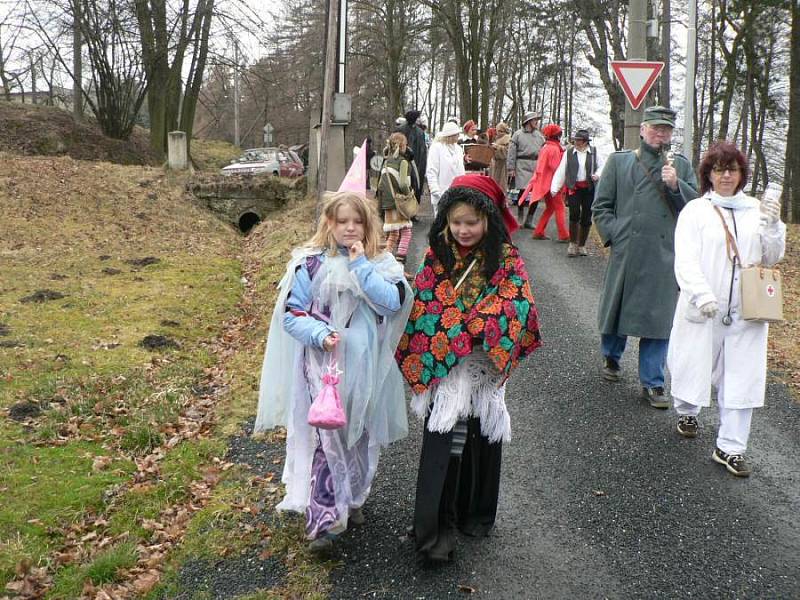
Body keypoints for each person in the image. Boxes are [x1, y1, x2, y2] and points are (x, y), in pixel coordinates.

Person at [254, 189, 413, 554]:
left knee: (358, 432)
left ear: (368, 224)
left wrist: (360, 267)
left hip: (365, 366)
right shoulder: (310, 264)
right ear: (330, 223)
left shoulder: (381, 264)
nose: (350, 229)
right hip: (322, 367)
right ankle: (324, 520)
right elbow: (292, 315)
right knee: (327, 434)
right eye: (343, 222)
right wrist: (320, 333)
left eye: (358, 222)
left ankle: (353, 496)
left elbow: (391, 302)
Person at [395, 174, 542, 565]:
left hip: (482, 360)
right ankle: (434, 530)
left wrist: (478, 326)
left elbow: (518, 304)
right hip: (446, 362)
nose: (463, 230)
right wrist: (454, 328)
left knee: (479, 432)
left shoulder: (507, 258)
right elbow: (427, 301)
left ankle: (475, 513)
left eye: (471, 223)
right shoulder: (436, 254)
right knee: (446, 434)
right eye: (456, 222)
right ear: (446, 221)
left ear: (489, 221)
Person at [667, 142, 785, 477]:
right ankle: (688, 409)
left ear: (741, 174)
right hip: (704, 306)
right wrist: (700, 294)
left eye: (731, 169)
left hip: (747, 308)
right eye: (719, 169)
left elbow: (771, 256)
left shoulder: (754, 210)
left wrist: (773, 227)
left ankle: (731, 447)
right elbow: (686, 258)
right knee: (695, 363)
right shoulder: (696, 211)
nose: (726, 176)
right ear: (708, 174)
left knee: (742, 375)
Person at [592, 105, 699, 408]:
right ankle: (611, 358)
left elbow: (694, 209)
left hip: (664, 254)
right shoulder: (620, 162)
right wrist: (616, 235)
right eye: (655, 128)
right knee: (617, 309)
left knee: (659, 319)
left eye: (665, 130)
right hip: (628, 250)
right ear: (642, 130)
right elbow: (601, 206)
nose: (660, 134)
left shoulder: (680, 165)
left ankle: (653, 382)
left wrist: (676, 186)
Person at [550, 129, 600, 256]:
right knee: (574, 214)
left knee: (587, 216)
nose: (576, 142)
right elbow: (562, 170)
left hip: (589, 189)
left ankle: (582, 245)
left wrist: (597, 175)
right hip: (574, 188)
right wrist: (555, 188)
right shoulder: (569, 153)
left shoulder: (593, 152)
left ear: (585, 142)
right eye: (576, 140)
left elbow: (602, 166)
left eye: (579, 140)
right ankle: (572, 244)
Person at [521, 123, 569, 242]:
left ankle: (539, 231)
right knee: (559, 207)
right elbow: (556, 168)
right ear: (557, 136)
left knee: (551, 208)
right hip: (552, 184)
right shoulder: (553, 149)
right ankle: (564, 235)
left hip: (544, 183)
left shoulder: (546, 147)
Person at [378, 132, 414, 271]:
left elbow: (381, 184)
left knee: (393, 233)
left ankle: (384, 262)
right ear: (403, 146)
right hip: (399, 202)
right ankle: (399, 266)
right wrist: (409, 195)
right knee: (406, 232)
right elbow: (404, 183)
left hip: (387, 202)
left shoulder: (386, 161)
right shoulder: (403, 162)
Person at [507, 111, 545, 228]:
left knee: (536, 193)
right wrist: (511, 168)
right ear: (528, 121)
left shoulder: (539, 136)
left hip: (536, 165)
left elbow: (544, 151)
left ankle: (529, 219)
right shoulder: (517, 135)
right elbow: (511, 152)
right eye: (534, 120)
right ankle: (520, 217)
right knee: (523, 192)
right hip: (522, 165)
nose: (536, 122)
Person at [426, 121, 466, 217]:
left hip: (457, 193)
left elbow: (461, 170)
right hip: (441, 192)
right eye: (456, 134)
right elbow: (431, 170)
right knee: (441, 223)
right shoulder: (436, 148)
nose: (458, 136)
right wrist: (435, 190)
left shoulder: (459, 149)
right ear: (450, 135)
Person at [401, 110, 428, 201]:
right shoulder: (418, 132)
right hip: (409, 163)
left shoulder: (419, 132)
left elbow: (422, 151)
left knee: (414, 186)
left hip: (416, 164)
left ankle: (412, 208)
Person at [489, 122, 511, 193]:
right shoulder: (497, 138)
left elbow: (507, 152)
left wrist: (497, 147)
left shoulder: (507, 139)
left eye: (500, 131)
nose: (498, 132)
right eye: (497, 130)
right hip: (495, 164)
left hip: (502, 165)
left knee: (501, 183)